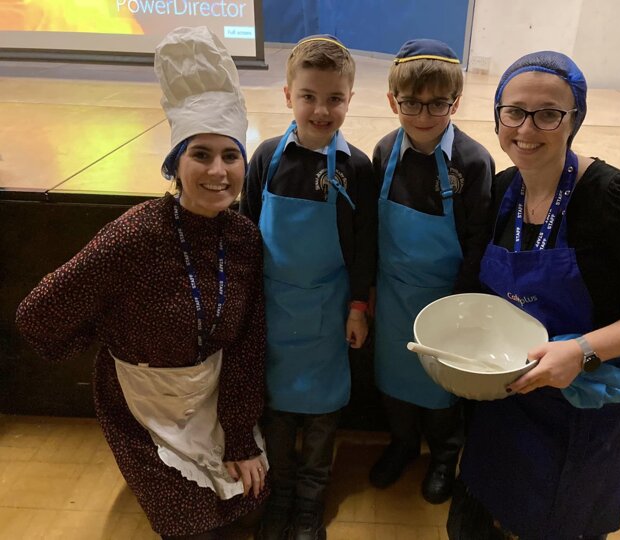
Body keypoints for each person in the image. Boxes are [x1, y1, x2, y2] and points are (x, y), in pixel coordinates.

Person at [15, 26, 269, 540]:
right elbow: (37, 314)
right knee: (195, 529)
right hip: (140, 406)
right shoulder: (136, 234)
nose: (218, 171)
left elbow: (246, 345)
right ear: (175, 163)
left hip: (211, 401)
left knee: (252, 509)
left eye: (230, 155)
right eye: (201, 154)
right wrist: (107, 335)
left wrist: (241, 438)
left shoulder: (244, 238)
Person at [448, 51, 620, 539]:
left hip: (586, 394)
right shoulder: (503, 191)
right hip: (512, 388)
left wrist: (581, 352)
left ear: (574, 119)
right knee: (485, 508)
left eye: (548, 114)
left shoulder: (618, 201)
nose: (526, 128)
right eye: (514, 112)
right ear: (497, 116)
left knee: (563, 518)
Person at [240, 34, 377, 540]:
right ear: (287, 96)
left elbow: (364, 247)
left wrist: (358, 306)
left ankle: (310, 503)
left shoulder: (357, 167)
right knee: (276, 413)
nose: (321, 110)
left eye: (334, 98)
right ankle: (280, 496)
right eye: (308, 96)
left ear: (350, 100)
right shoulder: (266, 157)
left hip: (329, 313)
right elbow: (246, 230)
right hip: (273, 310)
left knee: (321, 417)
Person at [370, 39, 494, 505]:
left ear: (455, 103)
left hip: (446, 297)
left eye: (437, 104)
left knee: (442, 388)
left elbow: (478, 238)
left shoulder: (473, 161)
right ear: (393, 102)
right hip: (393, 295)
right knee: (394, 381)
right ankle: (403, 443)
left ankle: (444, 456)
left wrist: (461, 300)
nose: (423, 115)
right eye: (411, 103)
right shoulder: (384, 152)